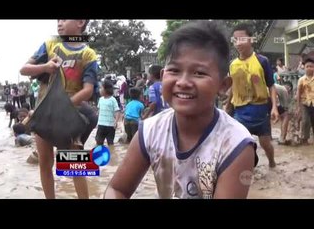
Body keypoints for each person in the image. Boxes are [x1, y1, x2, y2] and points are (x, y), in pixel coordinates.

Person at [104, 21, 257, 199]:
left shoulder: (236, 144)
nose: (183, 82)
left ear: (223, 85)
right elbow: (117, 189)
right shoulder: (150, 131)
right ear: (162, 78)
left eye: (199, 73)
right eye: (174, 70)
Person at [20, 20, 98, 199]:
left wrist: (63, 107)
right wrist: (45, 67)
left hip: (70, 117)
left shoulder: (88, 54)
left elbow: (87, 90)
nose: (59, 23)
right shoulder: (50, 45)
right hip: (44, 114)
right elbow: (24, 69)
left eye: (64, 19)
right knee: (45, 163)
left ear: (80, 22)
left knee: (75, 166)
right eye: (58, 20)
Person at [225, 22, 279, 168]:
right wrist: (227, 106)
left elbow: (271, 86)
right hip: (240, 111)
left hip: (261, 110)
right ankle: (247, 166)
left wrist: (274, 107)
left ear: (251, 39)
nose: (238, 43)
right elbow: (232, 87)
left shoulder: (262, 61)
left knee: (266, 143)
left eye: (242, 39)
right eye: (235, 40)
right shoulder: (233, 65)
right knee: (240, 144)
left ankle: (272, 163)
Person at [95, 80, 120, 148]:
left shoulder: (113, 100)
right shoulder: (100, 99)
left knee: (110, 143)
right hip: (101, 124)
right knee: (98, 142)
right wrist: (97, 122)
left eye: (101, 88)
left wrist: (116, 121)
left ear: (106, 89)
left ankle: (111, 155)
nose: (100, 90)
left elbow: (117, 111)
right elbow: (99, 111)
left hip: (110, 126)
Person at [296, 51, 314, 145]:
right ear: (304, 67)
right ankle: (304, 139)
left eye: (311, 66)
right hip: (305, 103)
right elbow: (298, 93)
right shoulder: (301, 80)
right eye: (307, 66)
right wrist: (298, 106)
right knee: (305, 121)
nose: (309, 68)